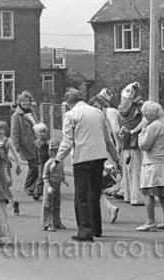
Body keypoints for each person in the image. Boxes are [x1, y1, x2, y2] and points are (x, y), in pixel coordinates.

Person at [50, 88, 121, 242]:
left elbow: (67, 141)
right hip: (99, 157)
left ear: (68, 102)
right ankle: (96, 228)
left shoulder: (71, 115)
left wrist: (57, 160)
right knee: (94, 194)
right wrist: (116, 158)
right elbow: (108, 139)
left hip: (83, 158)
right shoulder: (97, 113)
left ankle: (85, 231)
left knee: (81, 196)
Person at [136, 101, 164, 231]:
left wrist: (141, 133)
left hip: (152, 164)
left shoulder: (153, 126)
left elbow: (144, 145)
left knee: (148, 192)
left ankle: (150, 221)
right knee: (163, 194)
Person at [88, 92, 120, 223]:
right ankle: (109, 208)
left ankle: (107, 209)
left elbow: (109, 140)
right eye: (94, 106)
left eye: (98, 106)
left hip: (99, 157)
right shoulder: (95, 120)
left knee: (92, 187)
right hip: (97, 156)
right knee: (95, 187)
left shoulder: (103, 121)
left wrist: (116, 157)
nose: (97, 109)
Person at [118, 82, 145, 205]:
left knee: (132, 169)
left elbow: (145, 120)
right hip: (129, 141)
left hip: (132, 141)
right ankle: (132, 196)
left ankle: (133, 196)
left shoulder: (137, 106)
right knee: (130, 169)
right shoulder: (129, 107)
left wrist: (131, 131)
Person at [11, 90, 39, 196]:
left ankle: (33, 186)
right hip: (26, 145)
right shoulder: (16, 116)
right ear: (19, 103)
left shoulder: (32, 112)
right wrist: (16, 147)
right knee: (34, 166)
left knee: (37, 165)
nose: (25, 103)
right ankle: (29, 187)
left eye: (27, 101)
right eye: (23, 101)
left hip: (36, 143)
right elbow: (14, 132)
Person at [0, 120, 22, 216]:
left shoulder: (7, 141)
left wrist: (18, 165)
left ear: (5, 130)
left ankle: (13, 202)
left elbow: (15, 154)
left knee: (4, 186)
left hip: (4, 167)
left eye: (1, 129)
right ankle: (4, 205)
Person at [42, 138, 68, 231]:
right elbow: (45, 176)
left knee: (57, 205)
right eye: (54, 150)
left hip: (57, 186)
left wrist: (64, 179)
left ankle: (56, 222)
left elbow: (61, 172)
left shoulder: (60, 162)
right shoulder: (48, 163)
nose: (55, 152)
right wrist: (48, 186)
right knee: (48, 205)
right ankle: (47, 223)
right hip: (50, 187)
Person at [33, 123, 50, 201]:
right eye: (40, 132)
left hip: (48, 162)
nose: (42, 134)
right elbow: (35, 152)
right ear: (36, 134)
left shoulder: (47, 143)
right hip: (40, 162)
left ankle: (47, 190)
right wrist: (36, 161)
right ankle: (37, 192)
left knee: (48, 176)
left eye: (44, 132)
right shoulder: (35, 143)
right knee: (40, 177)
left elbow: (51, 152)